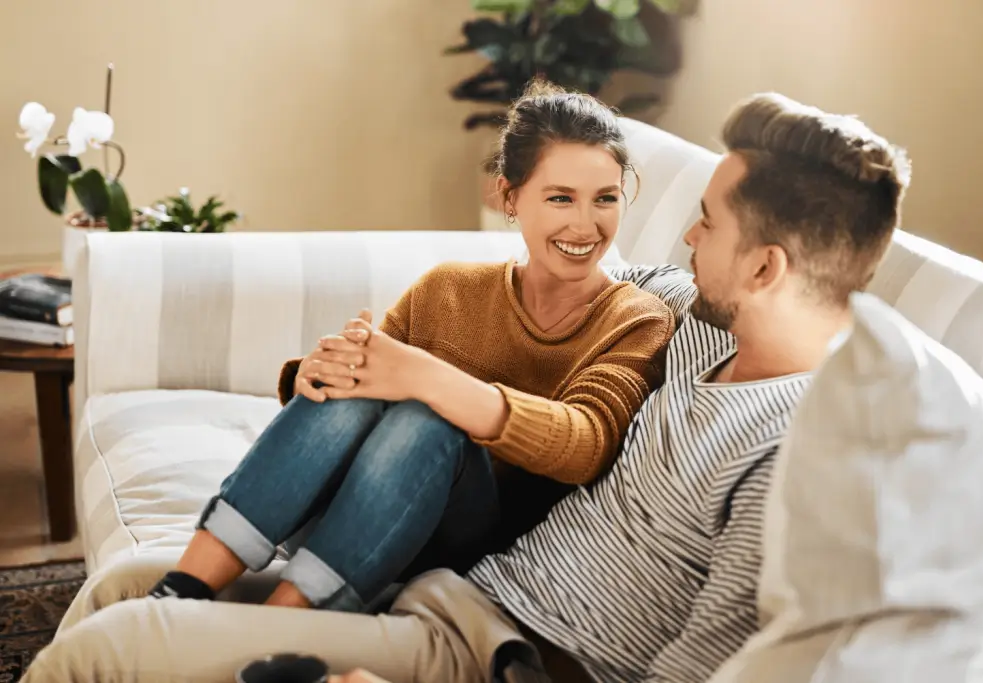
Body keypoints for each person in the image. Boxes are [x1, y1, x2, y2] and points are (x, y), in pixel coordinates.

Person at [22, 91, 911, 683]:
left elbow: (702, 663)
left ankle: (254, 624)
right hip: (456, 583)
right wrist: (327, 368)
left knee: (118, 647)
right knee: (122, 587)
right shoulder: (693, 321)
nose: (682, 238)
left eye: (705, 224)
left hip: (495, 648)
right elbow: (554, 280)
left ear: (764, 267)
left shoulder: (794, 451)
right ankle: (217, 603)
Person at [141, 80, 676, 614]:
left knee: (428, 419)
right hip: (339, 520)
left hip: (457, 544)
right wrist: (319, 373)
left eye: (605, 199)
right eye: (561, 198)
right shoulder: (448, 289)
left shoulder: (635, 319)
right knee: (365, 383)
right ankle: (180, 591)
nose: (585, 225)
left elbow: (586, 444)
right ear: (510, 196)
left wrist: (428, 379)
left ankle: (282, 619)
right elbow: (364, 394)